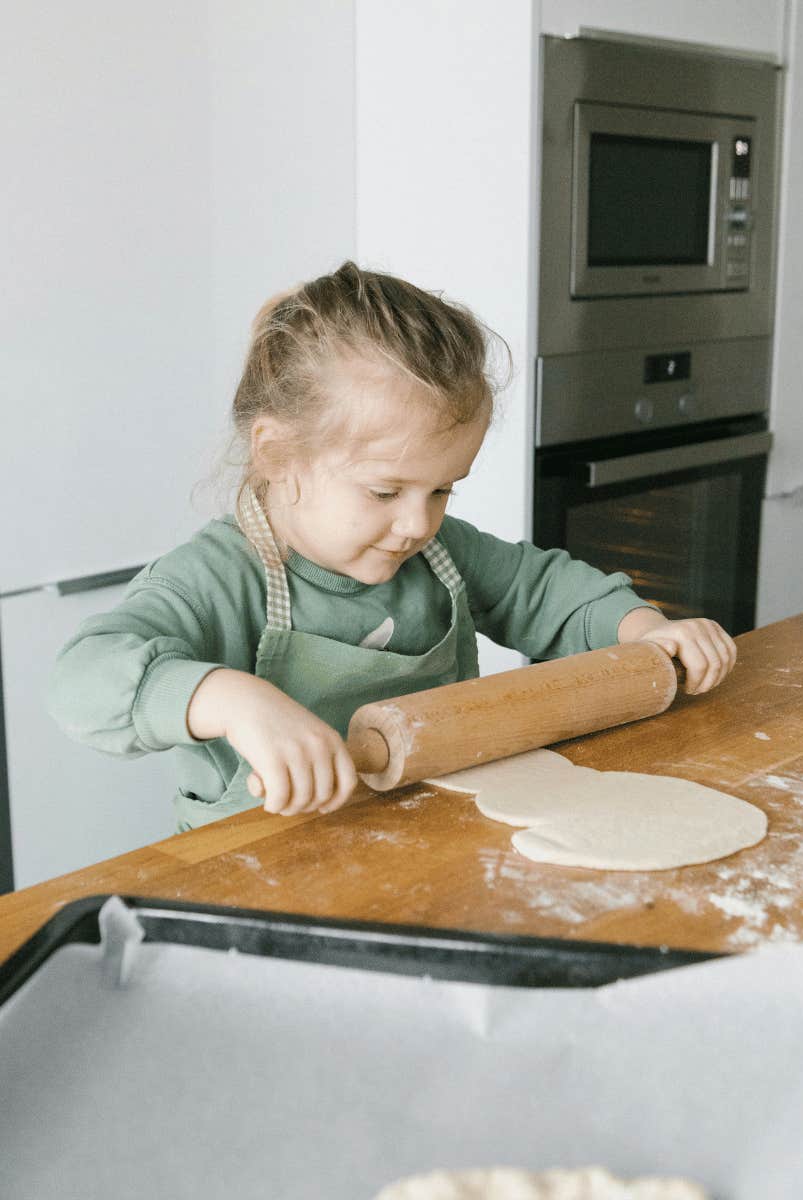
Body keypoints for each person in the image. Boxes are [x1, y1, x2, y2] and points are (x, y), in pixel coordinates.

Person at [48, 261, 736, 831]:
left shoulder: (440, 556)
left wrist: (647, 629)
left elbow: (544, 591)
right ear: (278, 454)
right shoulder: (219, 578)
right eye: (385, 492)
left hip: (432, 836)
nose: (418, 523)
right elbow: (80, 681)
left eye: (443, 491)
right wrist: (233, 700)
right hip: (260, 866)